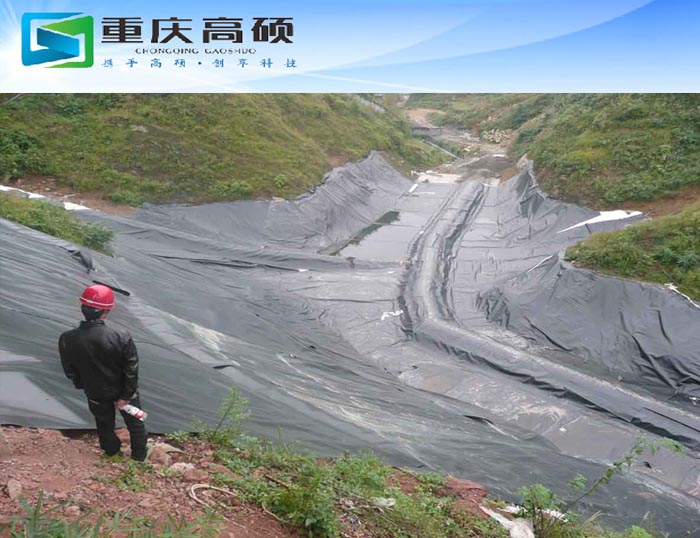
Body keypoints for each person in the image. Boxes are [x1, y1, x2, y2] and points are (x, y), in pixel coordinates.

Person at [58, 284, 147, 461]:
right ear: (106, 312)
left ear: (82, 307)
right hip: (125, 392)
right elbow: (131, 369)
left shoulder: (67, 338)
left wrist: (86, 386)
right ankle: (139, 458)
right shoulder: (121, 335)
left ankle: (112, 453)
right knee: (136, 423)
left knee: (104, 424)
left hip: (96, 392)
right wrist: (126, 396)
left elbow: (70, 370)